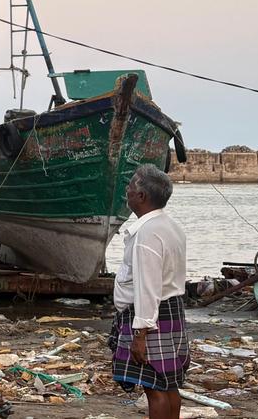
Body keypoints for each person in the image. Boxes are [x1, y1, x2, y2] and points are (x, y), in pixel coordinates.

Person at [109, 164, 188, 418]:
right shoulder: (170, 226)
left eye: (130, 186)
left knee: (154, 388)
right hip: (170, 310)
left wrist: (140, 333)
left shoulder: (147, 233)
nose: (127, 190)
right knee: (169, 384)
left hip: (151, 315)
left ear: (141, 196)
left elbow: (147, 285)